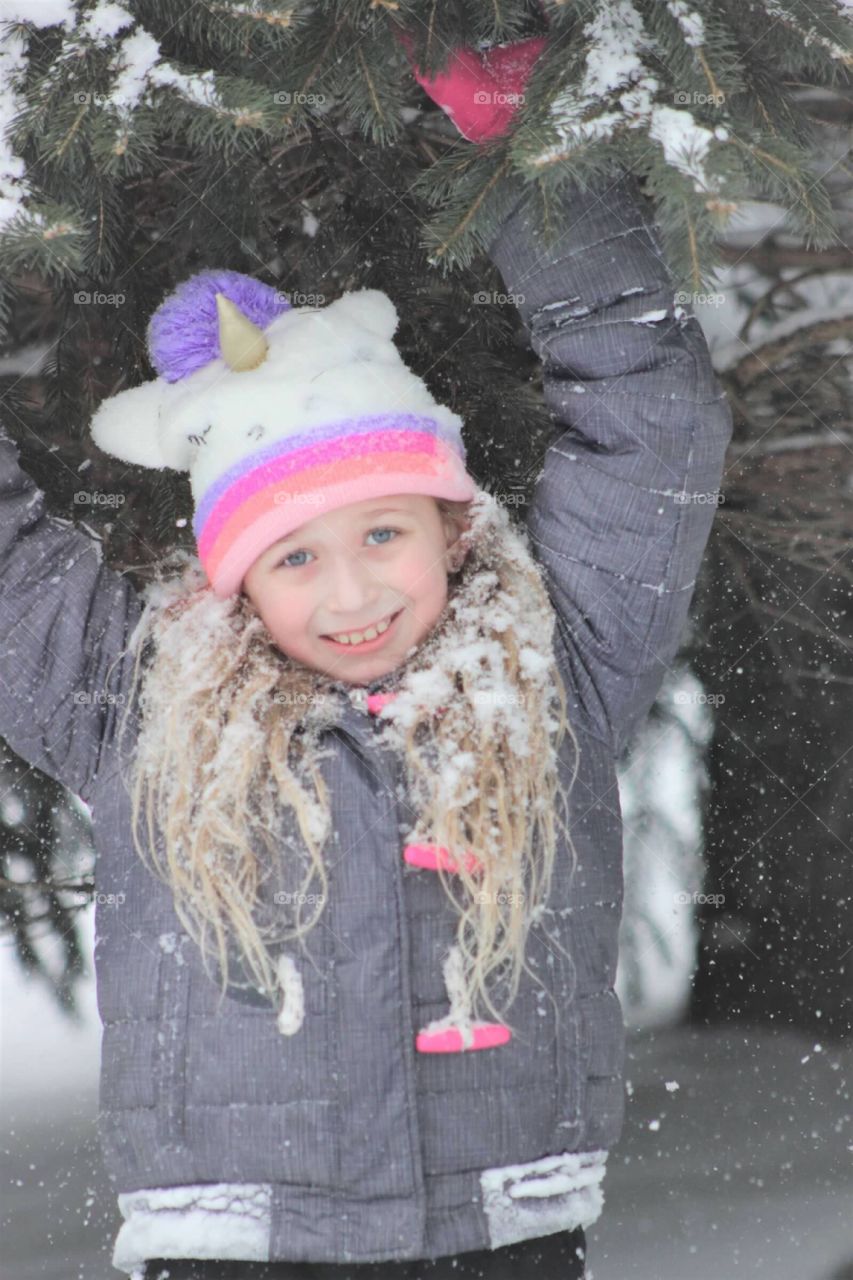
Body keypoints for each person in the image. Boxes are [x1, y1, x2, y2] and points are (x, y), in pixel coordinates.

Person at [0, 24, 733, 1280]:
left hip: (504, 1228)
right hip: (234, 1243)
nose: (350, 593)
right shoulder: (144, 705)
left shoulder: (552, 669)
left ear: (449, 523)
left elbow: (651, 417)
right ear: (234, 576)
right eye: (292, 557)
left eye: (384, 531)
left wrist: (526, 159)